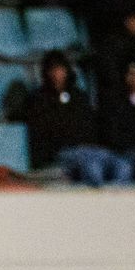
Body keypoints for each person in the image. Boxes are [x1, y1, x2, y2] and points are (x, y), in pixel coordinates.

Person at [22, 50, 120, 184]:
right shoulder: (39, 100)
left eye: (60, 69)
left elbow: (90, 126)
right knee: (92, 168)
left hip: (88, 149)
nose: (57, 74)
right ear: (47, 73)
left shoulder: (79, 96)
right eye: (53, 70)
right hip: (62, 153)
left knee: (122, 166)